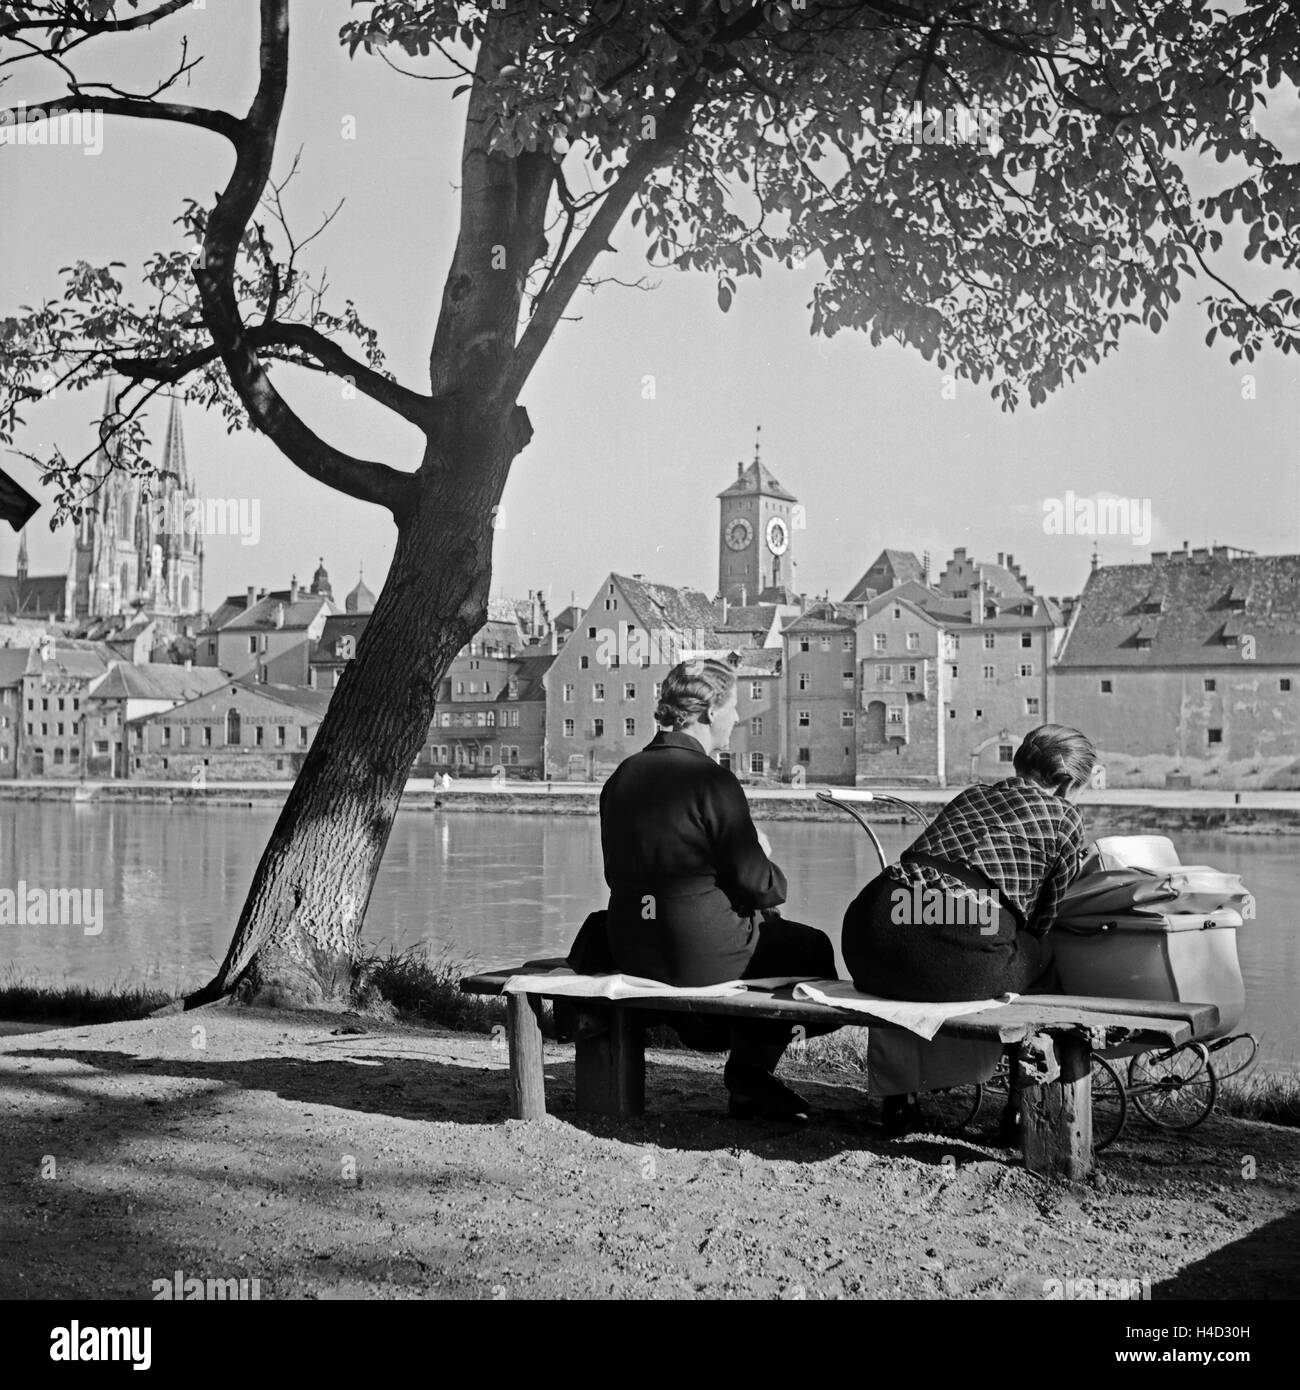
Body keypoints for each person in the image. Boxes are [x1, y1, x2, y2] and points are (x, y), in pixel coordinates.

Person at [599, 658, 838, 1122]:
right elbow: (763, 886)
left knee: (762, 929)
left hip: (629, 945)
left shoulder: (621, 777)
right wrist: (764, 853)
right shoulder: (711, 779)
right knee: (811, 948)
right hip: (698, 954)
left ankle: (724, 1044)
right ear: (708, 712)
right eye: (733, 707)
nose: (738, 718)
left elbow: (620, 874)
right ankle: (748, 1072)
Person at [840, 724, 1096, 1133]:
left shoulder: (972, 795)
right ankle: (1021, 1107)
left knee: (912, 971)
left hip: (869, 935)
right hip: (956, 940)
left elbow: (918, 863)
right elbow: (1043, 920)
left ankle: (899, 1100)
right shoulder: (1064, 817)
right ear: (1066, 783)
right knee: (1043, 958)